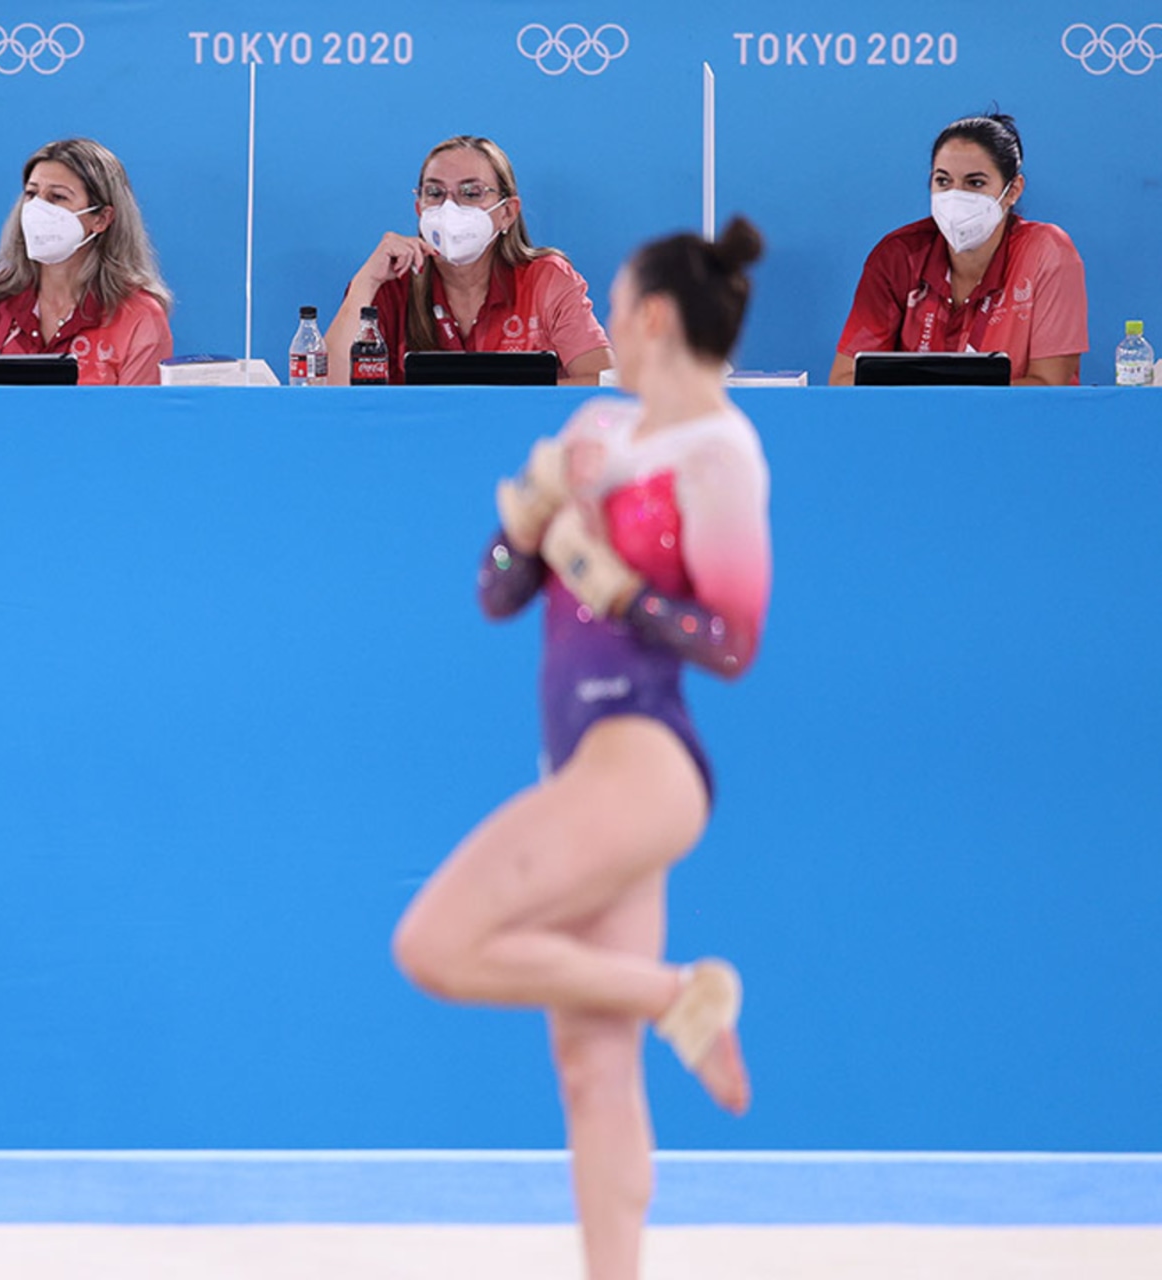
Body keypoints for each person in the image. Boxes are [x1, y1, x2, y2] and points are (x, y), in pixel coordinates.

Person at [392, 218, 773, 1280]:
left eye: (613, 304)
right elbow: (497, 593)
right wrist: (529, 519)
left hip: (642, 757)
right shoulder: (598, 426)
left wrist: (615, 585)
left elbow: (732, 641)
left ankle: (677, 993)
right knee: (591, 1068)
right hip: (584, 767)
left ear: (652, 319)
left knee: (433, 942)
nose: (603, 325)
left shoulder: (720, 452)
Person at [325, 135, 612, 385]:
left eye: (471, 193)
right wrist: (366, 281)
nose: (450, 207)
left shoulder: (545, 279)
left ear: (507, 213)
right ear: (419, 209)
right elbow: (327, 386)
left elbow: (604, 382)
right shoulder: (390, 283)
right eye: (435, 193)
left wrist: (501, 401)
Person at [830, 111, 1086, 386]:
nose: (956, 196)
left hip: (1012, 416)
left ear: (1013, 190)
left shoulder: (1046, 253)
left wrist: (942, 402)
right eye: (943, 181)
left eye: (975, 183)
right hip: (916, 415)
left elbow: (1049, 387)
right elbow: (845, 379)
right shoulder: (899, 256)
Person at [0, 138, 173, 386]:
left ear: (102, 219)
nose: (38, 209)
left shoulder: (138, 316)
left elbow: (138, 411)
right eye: (31, 194)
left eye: (57, 197)